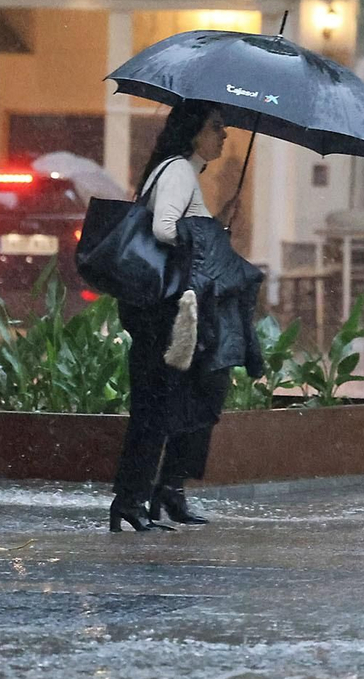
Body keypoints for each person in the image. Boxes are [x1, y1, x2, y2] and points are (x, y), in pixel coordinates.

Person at [109, 100, 262, 533]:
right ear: (194, 129)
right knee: (159, 403)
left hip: (174, 311)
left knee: (191, 396)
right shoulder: (177, 169)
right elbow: (164, 228)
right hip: (167, 314)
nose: (224, 134)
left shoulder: (182, 171)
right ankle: (133, 498)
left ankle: (167, 491)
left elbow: (182, 231)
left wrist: (216, 222)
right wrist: (208, 231)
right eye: (217, 126)